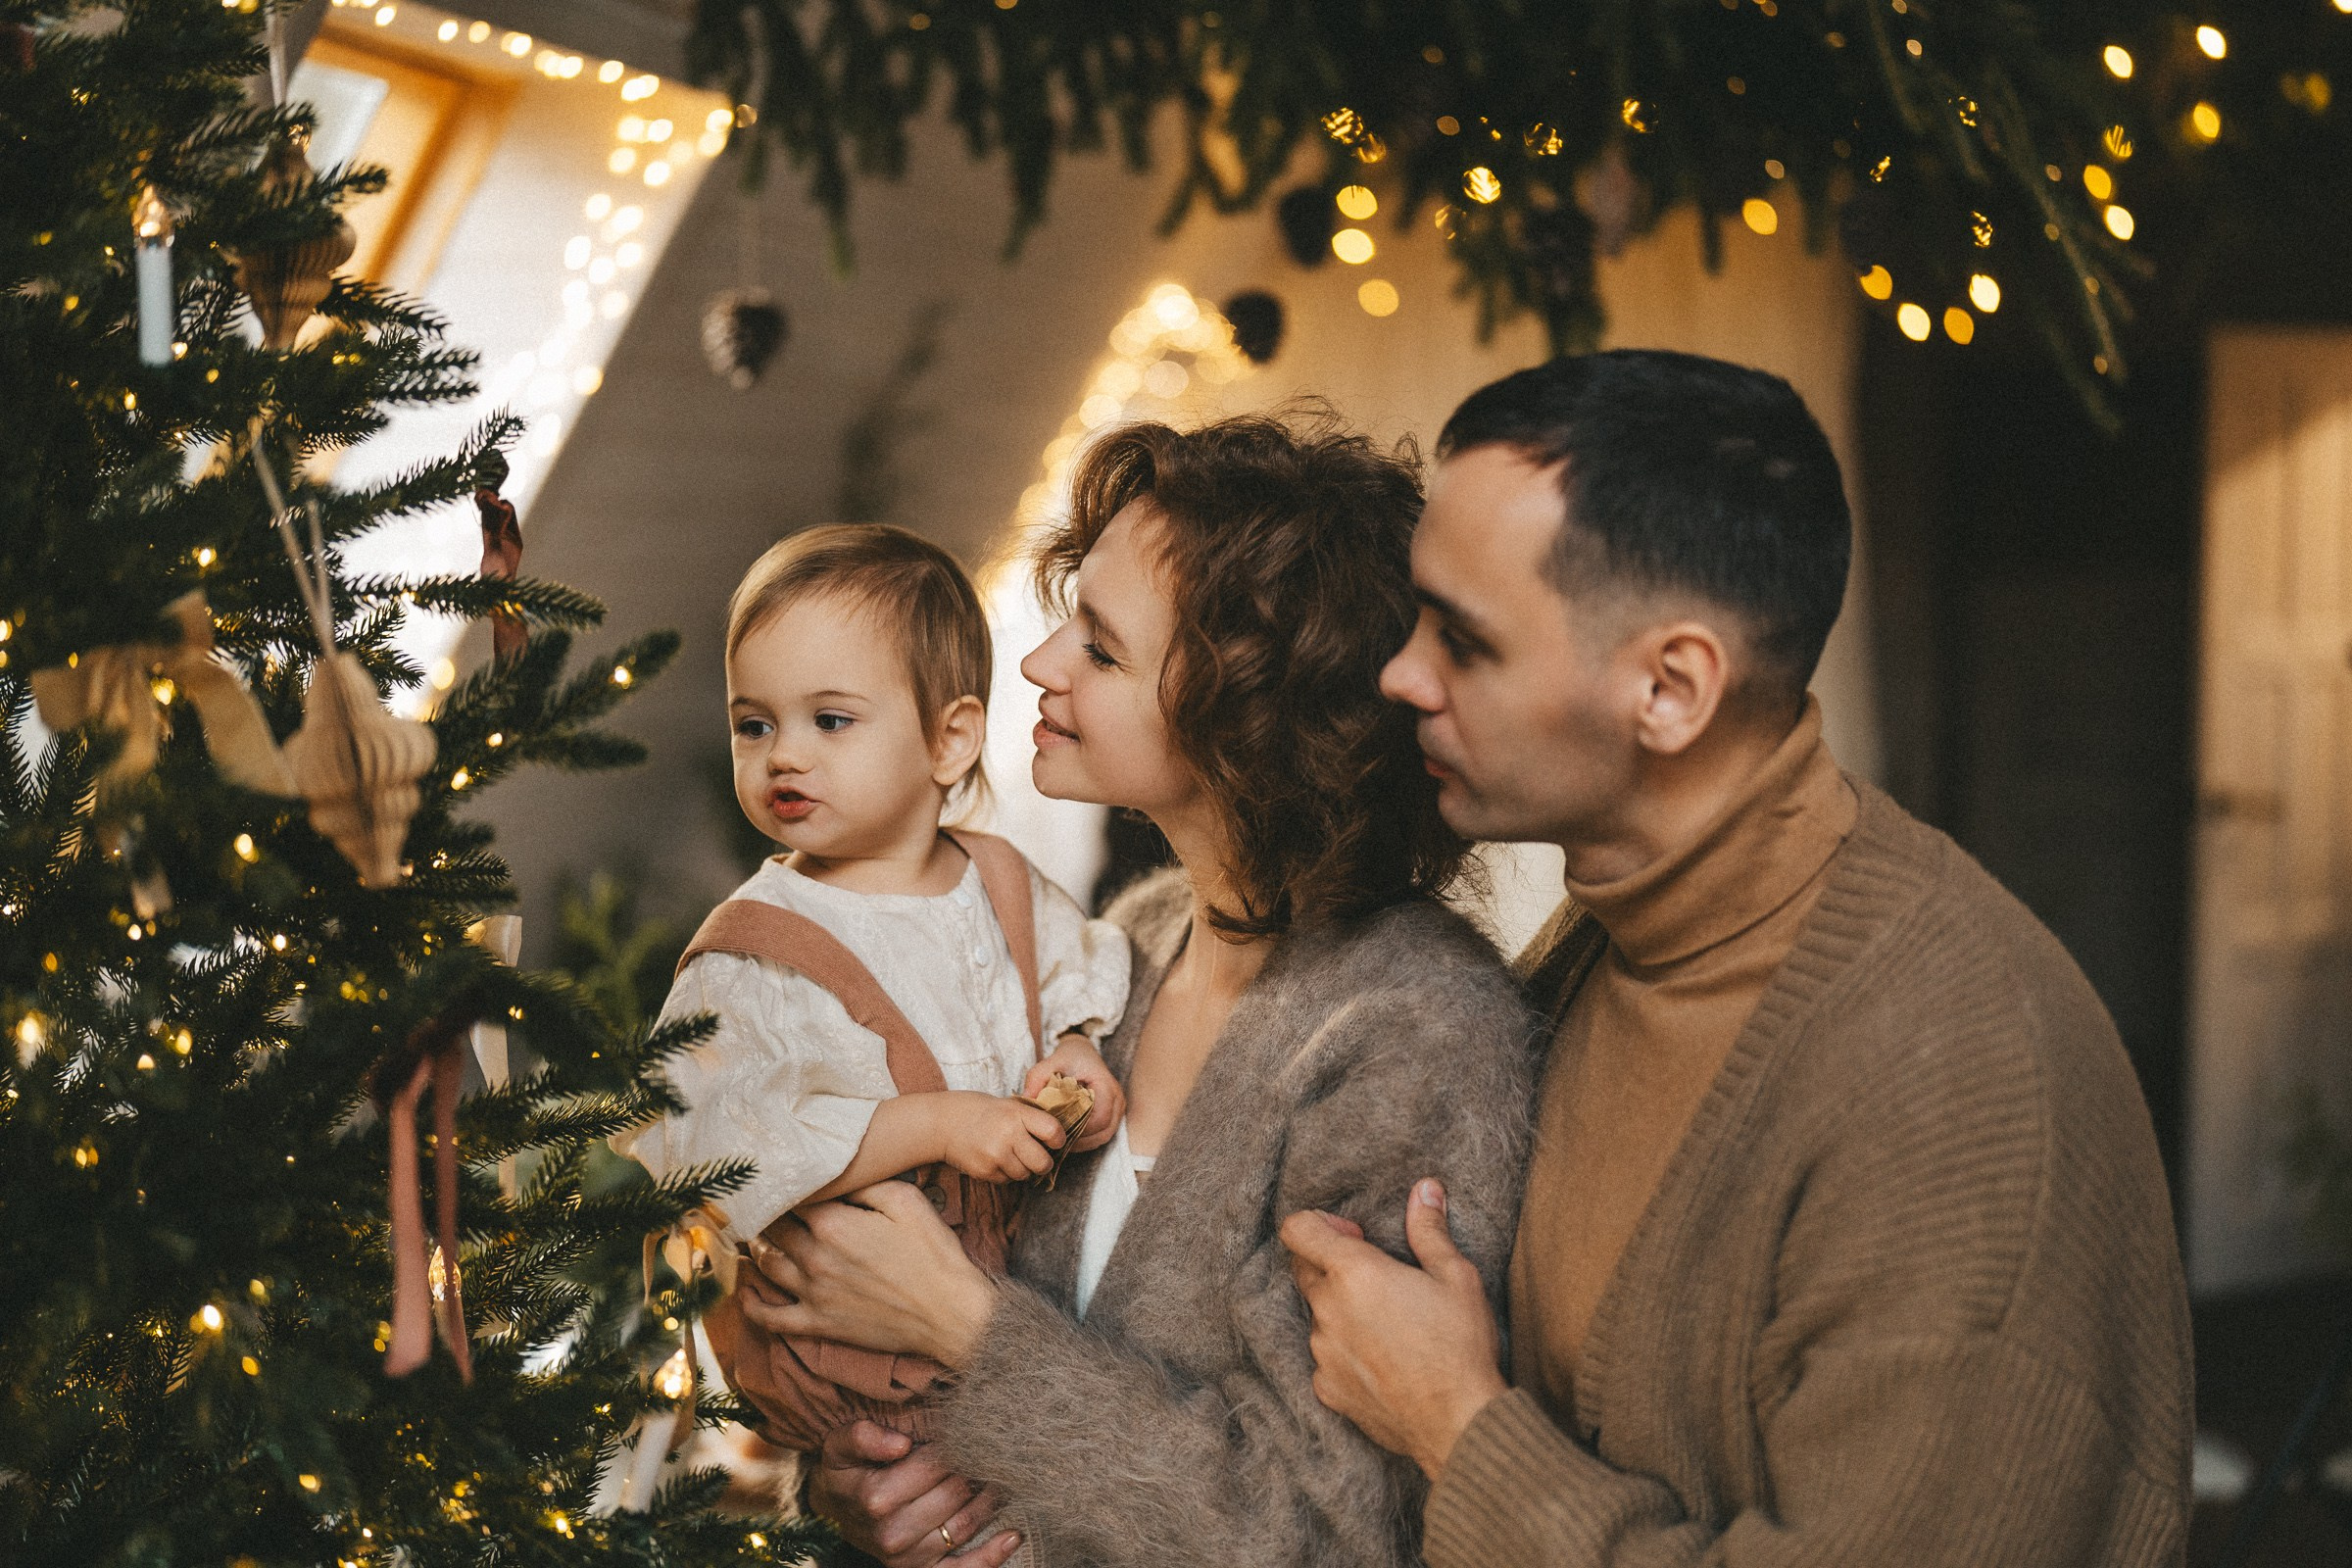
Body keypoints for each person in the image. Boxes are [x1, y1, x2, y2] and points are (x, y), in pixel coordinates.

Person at [1280, 350, 2194, 1564]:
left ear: (1671, 688)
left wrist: (1457, 1427)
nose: (1402, 675)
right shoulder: (1621, 931)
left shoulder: (1960, 1094)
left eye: (1465, 640)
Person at [735, 414, 1539, 1567]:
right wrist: (858, 1480)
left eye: (1102, 650)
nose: (1038, 667)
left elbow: (1321, 1530)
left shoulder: (1413, 1035)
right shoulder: (1126, 944)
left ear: (1253, 719)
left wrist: (964, 1329)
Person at [613, 523, 1132, 1448]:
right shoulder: (758, 952)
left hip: (1013, 1306)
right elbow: (728, 1153)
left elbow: (1067, 983)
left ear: (951, 738)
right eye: (755, 723)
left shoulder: (1003, 882)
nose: (784, 755)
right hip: (853, 1345)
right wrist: (939, 1124)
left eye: (831, 720)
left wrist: (1076, 1056)